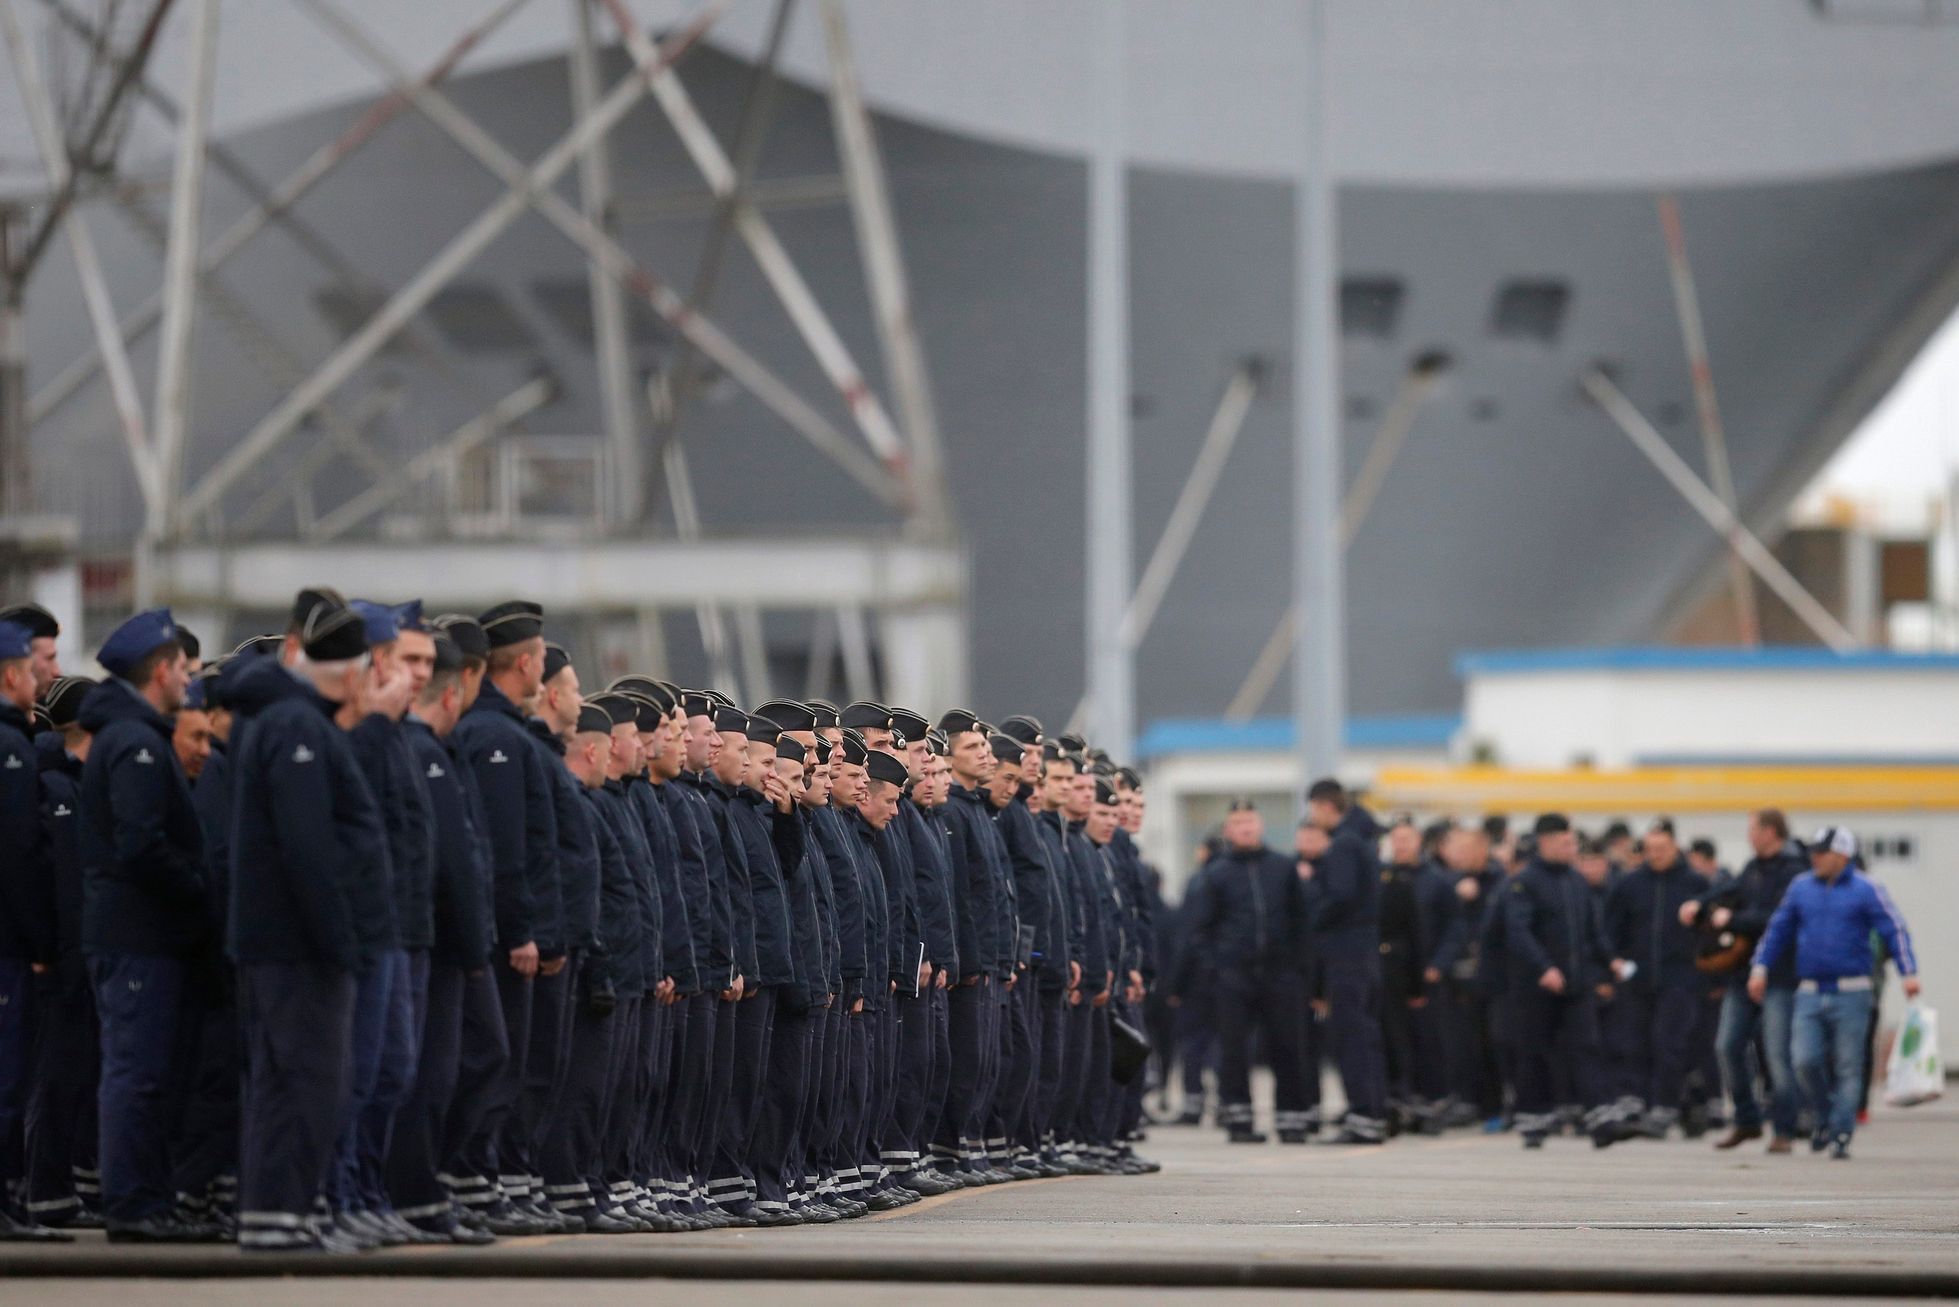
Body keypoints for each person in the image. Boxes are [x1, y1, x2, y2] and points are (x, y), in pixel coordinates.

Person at [226, 594, 388, 1252]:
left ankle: (287, 1212)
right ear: (351, 672)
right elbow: (307, 847)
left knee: (294, 1077)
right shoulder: (297, 727)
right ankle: (281, 1214)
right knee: (305, 1079)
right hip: (298, 945)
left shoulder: (297, 721)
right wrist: (338, 938)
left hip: (294, 941)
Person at [77, 609, 215, 1242]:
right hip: (139, 936)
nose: (189, 679)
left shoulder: (138, 734)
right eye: (184, 669)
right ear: (161, 671)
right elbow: (141, 844)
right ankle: (133, 1205)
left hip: (149, 936)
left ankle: (150, 1199)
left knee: (152, 1073)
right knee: (136, 1073)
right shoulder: (134, 742)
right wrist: (197, 889)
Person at [1750, 827, 1920, 1159]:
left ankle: (1841, 1131)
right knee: (1804, 1060)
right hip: (1810, 991)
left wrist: (1908, 972)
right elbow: (1778, 928)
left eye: (1822, 852)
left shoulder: (1866, 889)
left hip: (1852, 991)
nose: (1814, 857)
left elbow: (1893, 928)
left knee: (1847, 1066)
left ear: (1842, 855)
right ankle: (1824, 1114)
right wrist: (1760, 966)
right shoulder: (1801, 888)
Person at [1184, 800, 1313, 1144]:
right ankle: (1239, 1118)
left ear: (1261, 825)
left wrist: (1299, 968)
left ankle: (1291, 1120)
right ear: (1228, 830)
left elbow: (1301, 921)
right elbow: (1199, 929)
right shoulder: (1216, 873)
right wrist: (1217, 968)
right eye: (1238, 822)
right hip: (1234, 976)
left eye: (1250, 821)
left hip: (1280, 974)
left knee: (1287, 1047)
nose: (1245, 828)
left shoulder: (1283, 867)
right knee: (1234, 1049)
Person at [1692, 809, 1805, 1153]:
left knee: (1776, 1054)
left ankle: (1784, 1129)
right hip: (1743, 974)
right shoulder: (1753, 868)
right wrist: (1701, 904)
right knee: (1726, 1047)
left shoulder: (1795, 872)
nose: (1748, 835)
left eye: (1752, 829)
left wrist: (1734, 920)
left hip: (1780, 975)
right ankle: (1747, 1120)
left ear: (1770, 831)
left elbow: (1778, 919)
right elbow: (1730, 889)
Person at [1502, 814, 1611, 1149]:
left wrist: (1610, 962)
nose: (1572, 848)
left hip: (1577, 985)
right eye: (1566, 843)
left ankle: (1598, 1120)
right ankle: (1533, 1121)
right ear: (1545, 842)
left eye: (1573, 842)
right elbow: (1519, 932)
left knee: (1587, 1047)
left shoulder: (1576, 882)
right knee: (1535, 1051)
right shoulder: (1525, 882)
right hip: (1538, 985)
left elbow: (1592, 931)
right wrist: (1543, 968)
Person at [1298, 779, 1390, 1144]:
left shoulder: (1344, 845)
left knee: (1351, 1036)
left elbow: (1339, 896)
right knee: (1366, 1035)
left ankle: (1362, 1116)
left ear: (1323, 806)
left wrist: (1311, 910)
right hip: (1363, 951)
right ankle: (1373, 1113)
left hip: (1346, 954)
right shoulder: (1362, 841)